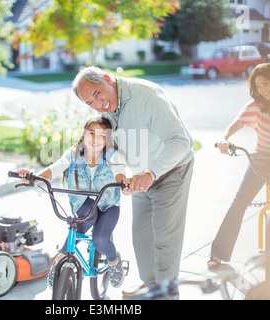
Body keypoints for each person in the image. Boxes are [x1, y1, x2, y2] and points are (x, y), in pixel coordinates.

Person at [71, 66, 194, 297]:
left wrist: (150, 173)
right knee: (141, 238)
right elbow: (111, 147)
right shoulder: (107, 111)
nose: (98, 104)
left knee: (165, 243)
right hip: (140, 177)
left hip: (170, 171)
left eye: (97, 94)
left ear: (108, 79)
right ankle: (151, 287)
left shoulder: (147, 97)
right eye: (90, 102)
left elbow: (181, 141)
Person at [207, 63, 270, 268]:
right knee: (239, 202)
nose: (262, 90)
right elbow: (235, 124)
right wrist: (225, 138)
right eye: (258, 86)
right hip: (262, 157)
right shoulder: (255, 106)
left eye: (265, 83)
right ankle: (218, 254)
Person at [17, 116, 127, 288]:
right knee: (83, 220)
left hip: (108, 203)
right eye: (92, 133)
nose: (96, 140)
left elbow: (119, 172)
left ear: (108, 139)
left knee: (100, 239)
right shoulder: (73, 154)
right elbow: (54, 169)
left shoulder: (113, 155)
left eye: (102, 136)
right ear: (84, 134)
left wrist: (123, 182)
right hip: (83, 201)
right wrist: (33, 178)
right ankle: (60, 260)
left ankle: (114, 261)